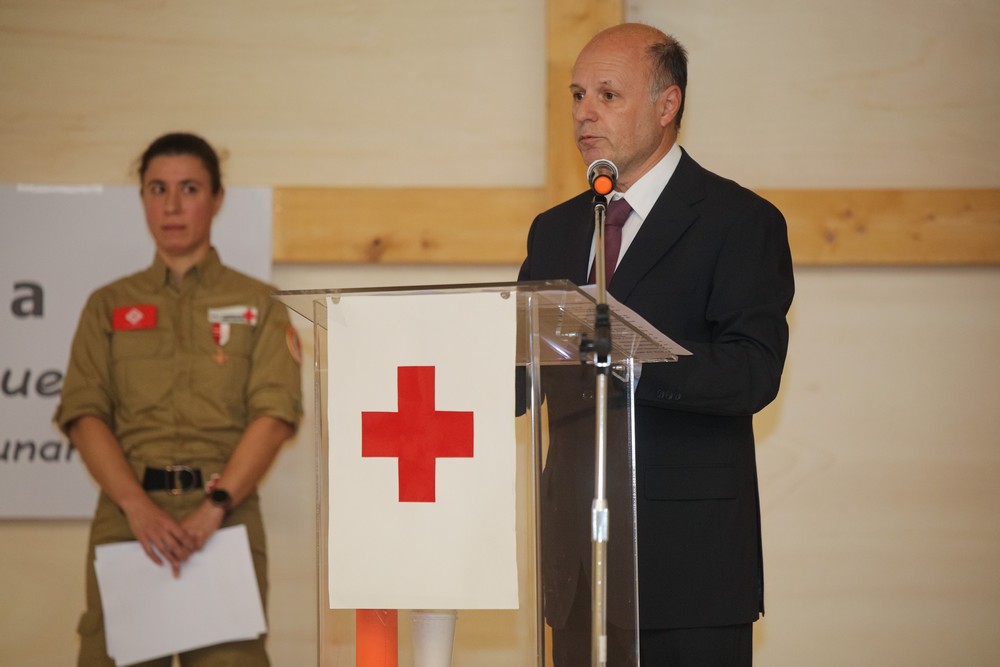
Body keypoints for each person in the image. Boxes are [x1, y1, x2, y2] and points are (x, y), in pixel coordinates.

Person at [519, 23, 794, 666]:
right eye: (578, 94)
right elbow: (522, 369)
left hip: (688, 567)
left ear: (667, 105)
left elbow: (752, 372)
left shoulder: (739, 221)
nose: (585, 113)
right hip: (578, 561)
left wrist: (635, 362)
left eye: (608, 95)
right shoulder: (557, 229)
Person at [55, 132, 303, 666]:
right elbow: (83, 414)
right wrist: (139, 508)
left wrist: (212, 510)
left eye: (188, 188)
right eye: (156, 188)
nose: (171, 205)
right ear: (142, 198)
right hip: (129, 520)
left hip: (224, 519)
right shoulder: (108, 305)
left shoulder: (261, 304)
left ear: (216, 198)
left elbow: (275, 415)